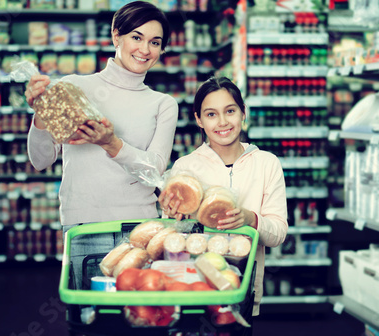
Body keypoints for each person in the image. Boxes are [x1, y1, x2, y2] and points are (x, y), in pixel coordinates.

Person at [25, 1, 178, 289]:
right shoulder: (73, 88)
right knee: (91, 319)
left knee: (140, 317)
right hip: (85, 226)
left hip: (140, 228)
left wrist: (111, 143)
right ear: (116, 35)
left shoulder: (163, 104)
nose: (145, 49)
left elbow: (155, 171)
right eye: (136, 37)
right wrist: (41, 115)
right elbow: (41, 160)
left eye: (155, 42)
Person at [158, 76, 288, 316]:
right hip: (193, 285)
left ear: (243, 113)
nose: (222, 122)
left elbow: (278, 234)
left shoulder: (266, 163)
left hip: (243, 287)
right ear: (198, 120)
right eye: (210, 114)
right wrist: (172, 216)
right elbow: (173, 236)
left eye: (230, 111)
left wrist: (251, 219)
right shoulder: (185, 167)